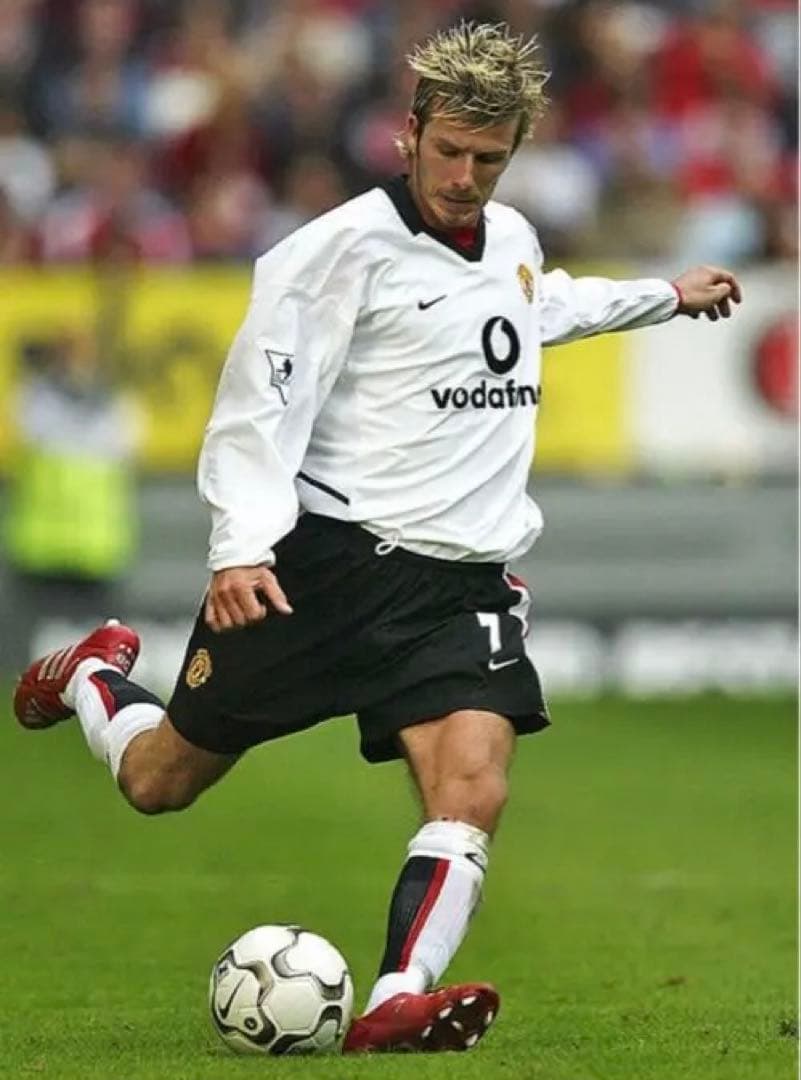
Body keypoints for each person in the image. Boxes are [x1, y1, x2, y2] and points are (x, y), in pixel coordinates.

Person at [13, 22, 742, 1054]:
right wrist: (240, 548)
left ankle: (398, 997)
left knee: (472, 784)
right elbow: (259, 406)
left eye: (488, 160)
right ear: (409, 132)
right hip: (329, 569)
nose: (464, 177)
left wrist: (665, 295)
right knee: (159, 781)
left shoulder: (512, 238)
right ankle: (94, 674)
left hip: (460, 584)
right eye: (449, 151)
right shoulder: (334, 252)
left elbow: (535, 307)